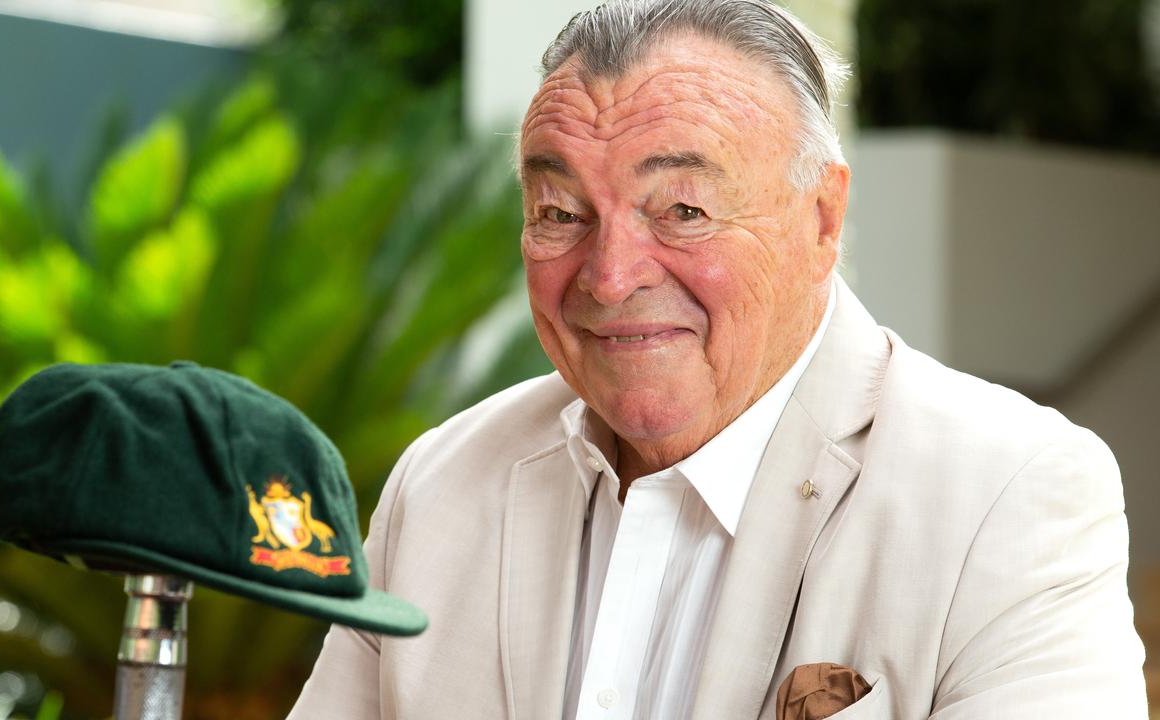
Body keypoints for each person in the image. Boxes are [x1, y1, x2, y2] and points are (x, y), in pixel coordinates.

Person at [290, 0, 1148, 717]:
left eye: (685, 209)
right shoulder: (441, 485)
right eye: (559, 210)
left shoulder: (1008, 496)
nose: (611, 276)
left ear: (821, 219)